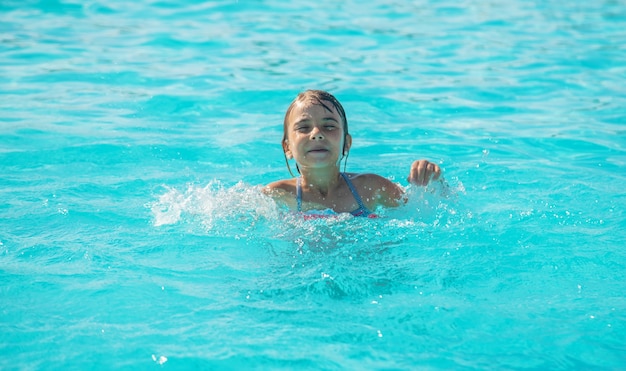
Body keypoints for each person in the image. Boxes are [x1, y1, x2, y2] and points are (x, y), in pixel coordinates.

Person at [264, 89, 442, 218]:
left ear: (346, 143)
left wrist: (433, 181)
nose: (317, 133)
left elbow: (423, 208)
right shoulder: (277, 195)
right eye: (304, 127)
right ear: (287, 148)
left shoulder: (370, 188)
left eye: (329, 126)